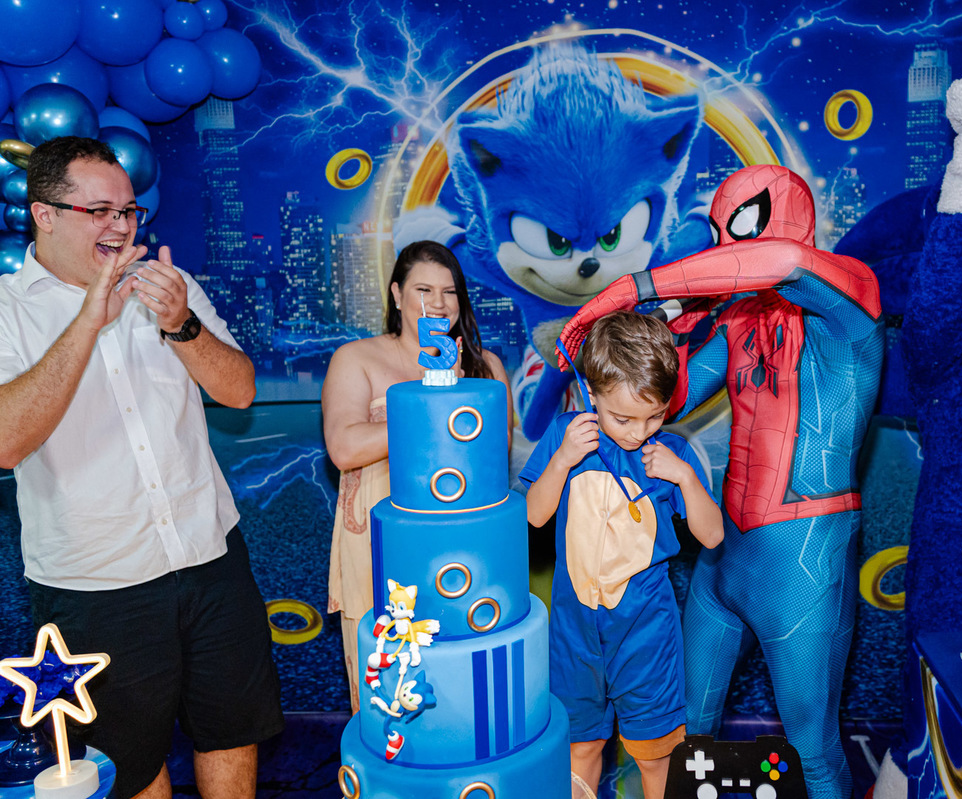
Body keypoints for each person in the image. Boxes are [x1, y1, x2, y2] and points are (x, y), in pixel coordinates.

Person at [558, 165, 884, 799]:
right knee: (684, 731)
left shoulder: (853, 300)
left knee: (813, 749)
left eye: (740, 229)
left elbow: (784, 261)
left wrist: (635, 287)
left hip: (804, 559)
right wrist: (675, 323)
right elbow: (669, 398)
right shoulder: (742, 322)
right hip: (725, 552)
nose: (729, 249)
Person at [0, 136, 282, 799]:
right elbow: (7, 443)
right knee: (127, 760)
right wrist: (88, 322)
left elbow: (239, 390)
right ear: (44, 215)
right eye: (100, 210)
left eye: (128, 210)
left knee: (231, 728)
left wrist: (181, 323)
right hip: (96, 583)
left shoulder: (168, 287)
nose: (121, 225)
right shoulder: (8, 309)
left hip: (209, 554)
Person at [519, 310, 723, 799]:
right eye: (623, 418)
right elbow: (533, 516)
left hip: (646, 635)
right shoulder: (566, 435)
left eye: (655, 416)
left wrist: (685, 478)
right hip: (574, 634)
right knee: (581, 748)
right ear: (591, 393)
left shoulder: (671, 453)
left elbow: (714, 535)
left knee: (654, 755)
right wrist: (563, 460)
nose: (638, 432)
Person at [322, 239, 512, 712]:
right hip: (380, 544)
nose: (439, 304)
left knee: (460, 687)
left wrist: (455, 388)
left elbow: (497, 456)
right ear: (396, 294)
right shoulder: (357, 358)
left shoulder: (486, 367)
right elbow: (344, 448)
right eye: (424, 290)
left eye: (450, 292)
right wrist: (433, 405)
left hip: (464, 545)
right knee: (387, 694)